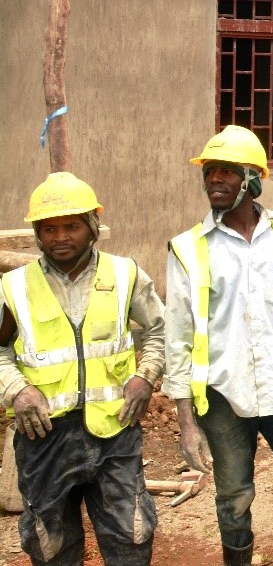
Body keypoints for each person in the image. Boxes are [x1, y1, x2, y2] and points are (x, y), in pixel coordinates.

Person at [165, 125, 273, 566]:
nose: (214, 179)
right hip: (223, 397)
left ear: (252, 179)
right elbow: (178, 338)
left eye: (226, 171)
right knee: (234, 499)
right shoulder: (187, 248)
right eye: (209, 171)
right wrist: (186, 422)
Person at [0, 173, 164, 566]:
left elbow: (161, 329)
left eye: (72, 226)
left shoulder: (125, 274)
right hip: (43, 438)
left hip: (115, 432)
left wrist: (146, 375)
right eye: (49, 228)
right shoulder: (13, 287)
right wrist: (16, 389)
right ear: (38, 234)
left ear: (92, 227)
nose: (60, 237)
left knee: (130, 536)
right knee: (51, 544)